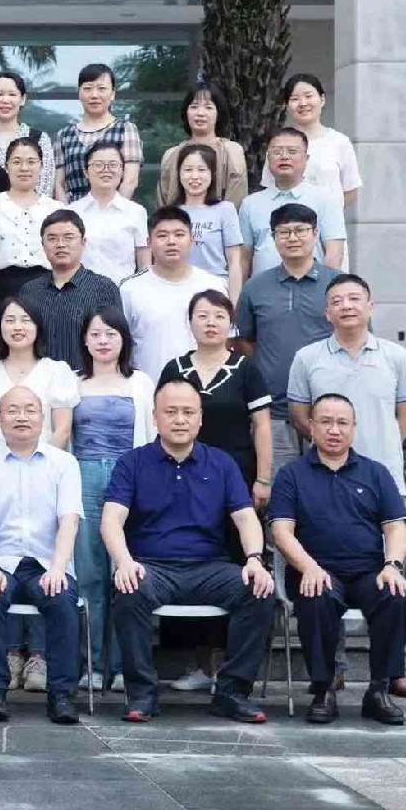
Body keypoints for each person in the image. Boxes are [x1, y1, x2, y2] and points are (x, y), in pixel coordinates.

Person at [104, 375, 277, 723]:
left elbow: (246, 518)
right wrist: (123, 561)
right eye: (171, 412)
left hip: (209, 567)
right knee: (129, 589)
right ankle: (142, 695)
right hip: (152, 567)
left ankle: (231, 692)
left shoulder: (222, 463)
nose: (180, 420)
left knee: (258, 590)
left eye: (188, 412)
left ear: (200, 418)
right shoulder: (132, 463)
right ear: (155, 417)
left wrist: (255, 560)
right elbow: (111, 520)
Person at [268, 393, 406, 725]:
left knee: (396, 596)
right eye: (326, 422)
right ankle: (323, 689)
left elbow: (395, 527)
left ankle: (379, 689)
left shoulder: (376, 473)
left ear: (353, 428)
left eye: (342, 423)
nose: (334, 430)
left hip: (368, 572)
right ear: (311, 426)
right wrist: (308, 567)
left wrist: (392, 566)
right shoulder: (292, 474)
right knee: (315, 594)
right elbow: (281, 532)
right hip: (314, 569)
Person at [157, 290, 274, 695]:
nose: (210, 323)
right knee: (187, 558)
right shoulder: (175, 368)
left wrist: (263, 478)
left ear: (231, 323)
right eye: (202, 315)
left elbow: (262, 426)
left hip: (236, 479)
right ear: (189, 322)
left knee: (238, 564)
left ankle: (231, 665)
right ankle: (197, 663)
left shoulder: (246, 369)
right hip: (182, 479)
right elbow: (162, 421)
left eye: (219, 315)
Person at [0, 386, 83, 723]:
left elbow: (69, 520)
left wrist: (59, 568)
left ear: (42, 417)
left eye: (30, 409)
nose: (22, 416)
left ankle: (62, 695)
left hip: (47, 563)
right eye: (13, 410)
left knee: (62, 599)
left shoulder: (64, 463)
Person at [72, 307, 157, 692]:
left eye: (111, 334)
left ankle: (125, 666)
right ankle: (91, 663)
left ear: (124, 339)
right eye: (95, 334)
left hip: (129, 480)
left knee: (125, 573)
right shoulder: (72, 383)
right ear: (85, 340)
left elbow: (152, 437)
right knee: (89, 575)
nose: (103, 341)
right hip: (84, 478)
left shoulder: (141, 383)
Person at [287, 274, 406, 495]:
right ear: (327, 313)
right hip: (324, 473)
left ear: (370, 307)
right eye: (337, 301)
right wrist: (332, 446)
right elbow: (299, 417)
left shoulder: (397, 356)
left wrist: (384, 443)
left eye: (354, 298)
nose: (346, 306)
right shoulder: (306, 358)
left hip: (383, 473)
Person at [234, 203, 339, 473]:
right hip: (273, 413)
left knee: (328, 486)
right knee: (277, 486)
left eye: (301, 230)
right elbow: (244, 341)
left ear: (315, 234)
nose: (293, 238)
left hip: (328, 411)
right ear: (273, 237)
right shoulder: (255, 287)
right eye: (284, 232)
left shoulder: (338, 286)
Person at [121, 208, 229, 380]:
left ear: (192, 239)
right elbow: (120, 345)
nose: (171, 241)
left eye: (179, 235)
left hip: (204, 389)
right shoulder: (129, 289)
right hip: (149, 388)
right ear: (149, 242)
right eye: (162, 235)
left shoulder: (214, 285)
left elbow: (227, 341)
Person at [17, 210, 123, 375]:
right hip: (39, 381)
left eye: (68, 237)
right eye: (52, 238)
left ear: (83, 242)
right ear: (43, 245)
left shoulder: (104, 288)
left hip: (88, 380)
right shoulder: (30, 291)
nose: (60, 244)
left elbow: (117, 341)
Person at [240, 127, 348, 275]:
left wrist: (327, 286)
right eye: (277, 152)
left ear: (306, 158)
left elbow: (334, 252)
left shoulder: (326, 199)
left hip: (312, 286)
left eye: (292, 151)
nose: (284, 156)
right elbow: (243, 258)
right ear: (268, 158)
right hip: (264, 287)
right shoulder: (250, 204)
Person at [0, 297, 79, 449]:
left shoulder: (57, 371)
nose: (17, 327)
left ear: (38, 326)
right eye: (10, 321)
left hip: (47, 461)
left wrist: (42, 461)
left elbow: (62, 430)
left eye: (25, 320)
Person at [0, 137, 62, 314]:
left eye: (31, 162)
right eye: (17, 162)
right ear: (6, 166)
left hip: (47, 289)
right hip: (0, 290)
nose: (24, 168)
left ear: (41, 166)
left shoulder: (55, 209)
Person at [163, 144, 246, 299]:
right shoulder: (170, 213)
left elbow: (234, 261)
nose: (195, 176)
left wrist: (234, 302)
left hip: (215, 290)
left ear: (212, 174)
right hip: (178, 289)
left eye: (201, 170)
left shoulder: (225, 209)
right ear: (179, 174)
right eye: (188, 170)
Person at [268, 72, 362, 208]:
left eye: (308, 96)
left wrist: (329, 214)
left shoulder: (340, 142)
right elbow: (269, 187)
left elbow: (351, 189)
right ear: (287, 105)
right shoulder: (278, 142)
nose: (303, 103)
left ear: (322, 99)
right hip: (286, 220)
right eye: (295, 99)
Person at [53, 63, 142, 201]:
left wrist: (113, 210)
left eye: (101, 89)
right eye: (87, 89)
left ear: (113, 94)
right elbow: (59, 184)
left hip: (114, 208)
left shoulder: (126, 129)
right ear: (79, 93)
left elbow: (130, 181)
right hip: (73, 209)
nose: (94, 95)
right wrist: (66, 212)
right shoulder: (64, 135)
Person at [69, 140, 150, 282]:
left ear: (122, 170)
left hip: (122, 291)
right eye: (98, 164)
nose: (106, 170)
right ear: (86, 172)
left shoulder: (136, 212)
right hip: (80, 291)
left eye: (113, 165)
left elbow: (144, 263)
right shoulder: (71, 212)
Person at [157, 82, 249, 208]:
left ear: (218, 114)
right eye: (194, 107)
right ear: (186, 112)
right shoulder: (171, 155)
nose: (200, 113)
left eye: (208, 107)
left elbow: (236, 198)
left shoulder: (232, 151)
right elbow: (163, 201)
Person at [0, 71, 55, 200]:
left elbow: (45, 187)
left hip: (32, 212)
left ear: (22, 99)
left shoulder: (40, 139)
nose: (5, 100)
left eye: (12, 94)